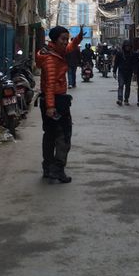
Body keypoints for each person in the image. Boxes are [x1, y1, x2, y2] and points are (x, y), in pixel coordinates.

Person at [35, 24, 84, 183]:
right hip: (55, 101)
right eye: (62, 39)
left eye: (67, 39)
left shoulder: (54, 52)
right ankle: (58, 169)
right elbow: (49, 84)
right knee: (64, 136)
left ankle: (48, 168)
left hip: (51, 100)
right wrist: (51, 107)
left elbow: (70, 47)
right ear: (54, 40)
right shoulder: (51, 59)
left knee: (49, 135)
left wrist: (79, 37)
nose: (65, 42)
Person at [113, 40, 136, 106]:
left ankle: (126, 99)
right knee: (121, 85)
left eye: (129, 46)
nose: (127, 48)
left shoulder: (132, 54)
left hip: (129, 72)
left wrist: (135, 72)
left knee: (128, 86)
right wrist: (114, 71)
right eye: (126, 46)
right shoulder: (119, 53)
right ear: (124, 46)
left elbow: (134, 64)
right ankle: (120, 99)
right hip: (121, 72)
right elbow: (116, 63)